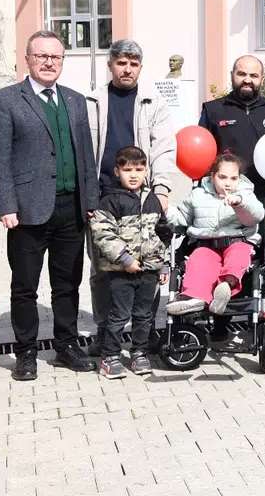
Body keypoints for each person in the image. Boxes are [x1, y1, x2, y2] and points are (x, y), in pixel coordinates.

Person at [0, 30, 100, 381]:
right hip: (27, 210)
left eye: (55, 57)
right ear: (28, 60)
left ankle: (66, 346)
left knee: (67, 284)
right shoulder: (5, 100)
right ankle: (25, 353)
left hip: (72, 208)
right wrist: (6, 205)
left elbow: (86, 155)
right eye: (41, 56)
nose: (49, 62)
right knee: (25, 286)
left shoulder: (75, 100)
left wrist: (91, 201)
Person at [84, 39, 176, 356]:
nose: (127, 69)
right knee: (103, 270)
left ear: (140, 67)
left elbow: (164, 148)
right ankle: (103, 331)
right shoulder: (92, 102)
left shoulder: (153, 103)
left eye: (133, 64)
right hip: (104, 198)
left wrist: (161, 189)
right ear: (110, 64)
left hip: (143, 199)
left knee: (148, 266)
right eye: (121, 63)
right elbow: (84, 152)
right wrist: (89, 198)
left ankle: (144, 332)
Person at [89, 146, 169, 380]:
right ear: (117, 172)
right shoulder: (110, 201)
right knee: (119, 315)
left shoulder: (153, 200)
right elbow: (103, 235)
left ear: (146, 171)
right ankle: (110, 356)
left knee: (144, 315)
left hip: (149, 271)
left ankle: (139, 352)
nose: (134, 175)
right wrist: (125, 259)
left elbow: (163, 234)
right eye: (127, 170)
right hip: (122, 271)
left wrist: (163, 264)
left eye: (139, 170)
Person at [163, 153, 265, 316]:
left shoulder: (245, 194)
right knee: (199, 260)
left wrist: (239, 203)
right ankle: (195, 297)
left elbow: (256, 216)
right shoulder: (198, 195)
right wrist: (165, 210)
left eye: (233, 178)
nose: (228, 183)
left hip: (238, 240)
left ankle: (225, 286)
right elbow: (182, 217)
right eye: (222, 177)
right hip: (207, 243)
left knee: (237, 257)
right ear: (212, 176)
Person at [199, 55, 265, 212]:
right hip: (222, 195)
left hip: (264, 194)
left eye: (254, 75)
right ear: (232, 75)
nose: (247, 80)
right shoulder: (213, 110)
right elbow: (201, 156)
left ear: (262, 79)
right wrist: (203, 193)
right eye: (241, 74)